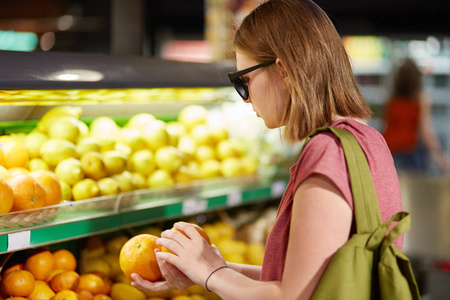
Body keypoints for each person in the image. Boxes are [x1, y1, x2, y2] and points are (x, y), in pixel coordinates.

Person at [131, 0, 402, 298]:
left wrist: (212, 274)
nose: (245, 98)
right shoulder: (368, 139)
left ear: (283, 69)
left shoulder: (327, 151)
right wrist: (207, 269)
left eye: (243, 81)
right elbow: (306, 277)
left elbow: (292, 296)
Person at [382, 58, 448, 174]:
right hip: (409, 151)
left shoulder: (392, 100)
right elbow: (426, 132)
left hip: (389, 149)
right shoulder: (420, 99)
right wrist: (439, 156)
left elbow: (385, 126)